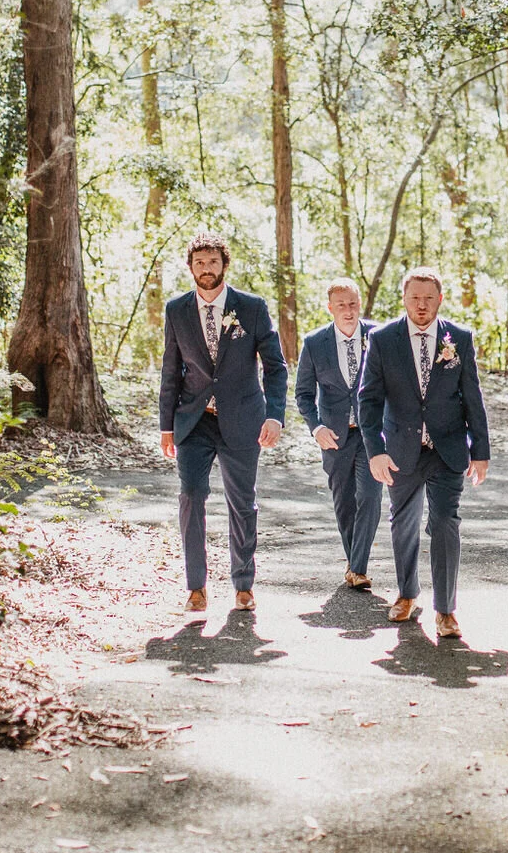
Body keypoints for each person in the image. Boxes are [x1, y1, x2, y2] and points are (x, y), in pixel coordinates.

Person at [356, 267, 490, 639]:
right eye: (415, 297)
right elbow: (368, 400)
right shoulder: (383, 339)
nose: (421, 305)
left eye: (429, 298)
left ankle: (445, 610)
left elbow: (473, 396)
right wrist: (375, 451)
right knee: (403, 523)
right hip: (401, 449)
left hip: (447, 448)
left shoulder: (458, 338)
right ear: (404, 298)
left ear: (440, 300)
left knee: (446, 523)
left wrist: (480, 450)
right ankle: (407, 593)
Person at [159, 233, 288, 613]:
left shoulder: (251, 307)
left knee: (242, 502)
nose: (206, 269)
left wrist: (274, 416)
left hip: (243, 419)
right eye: (199, 263)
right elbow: (171, 370)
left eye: (212, 262)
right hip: (193, 420)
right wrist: (166, 427)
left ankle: (243, 584)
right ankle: (196, 587)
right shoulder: (176, 310)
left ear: (224, 265)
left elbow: (276, 367)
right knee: (191, 495)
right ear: (190, 267)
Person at [295, 278, 382, 588]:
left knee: (370, 496)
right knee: (344, 503)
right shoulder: (314, 343)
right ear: (330, 308)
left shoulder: (379, 336)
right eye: (341, 305)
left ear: (360, 305)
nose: (348, 310)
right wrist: (316, 427)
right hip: (334, 436)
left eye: (353, 304)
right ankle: (354, 564)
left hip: (373, 435)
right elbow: (304, 394)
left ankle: (357, 568)